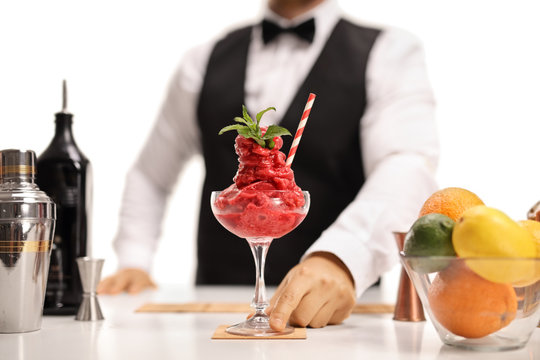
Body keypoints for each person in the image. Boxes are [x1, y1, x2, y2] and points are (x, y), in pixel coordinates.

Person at [98, 0, 439, 331]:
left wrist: (342, 257)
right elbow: (151, 174)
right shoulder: (203, 60)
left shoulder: (390, 52)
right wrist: (134, 259)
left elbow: (407, 164)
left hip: (336, 322)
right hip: (212, 315)